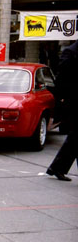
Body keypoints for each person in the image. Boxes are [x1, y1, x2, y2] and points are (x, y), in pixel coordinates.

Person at [46, 41, 78, 181]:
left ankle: (57, 167)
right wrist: (62, 98)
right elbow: (62, 78)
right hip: (74, 99)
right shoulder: (70, 52)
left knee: (75, 137)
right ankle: (57, 167)